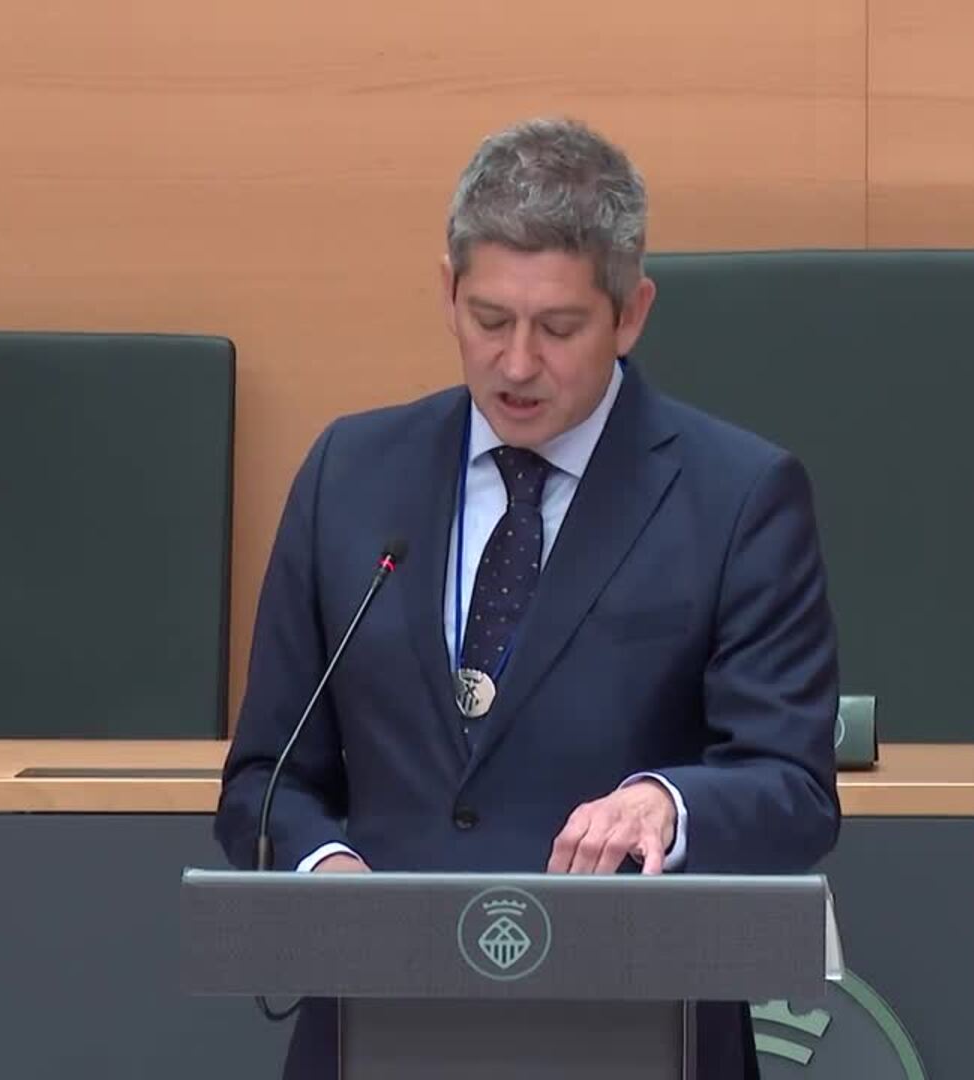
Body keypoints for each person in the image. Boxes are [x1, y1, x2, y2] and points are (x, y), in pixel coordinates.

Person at [215, 116, 840, 1080]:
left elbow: (793, 790)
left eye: (557, 328)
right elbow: (266, 778)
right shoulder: (351, 474)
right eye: (489, 319)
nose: (515, 364)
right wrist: (322, 872)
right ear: (447, 292)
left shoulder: (737, 496)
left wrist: (668, 804)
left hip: (639, 1033)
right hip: (375, 1031)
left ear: (631, 313)